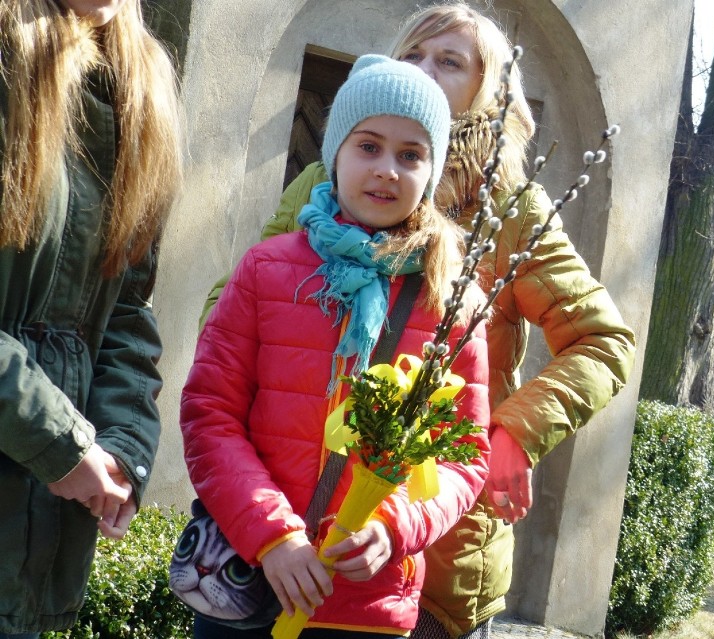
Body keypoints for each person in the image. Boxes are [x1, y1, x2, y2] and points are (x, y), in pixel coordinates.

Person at [199, 3, 636, 638]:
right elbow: (236, 309)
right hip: (291, 522)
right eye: (414, 55)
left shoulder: (509, 208)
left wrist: (509, 436)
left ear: (487, 90)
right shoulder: (328, 180)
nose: (426, 71)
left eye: (451, 61)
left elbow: (605, 340)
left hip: (437, 544)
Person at [180, 54, 491, 639]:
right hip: (250, 582)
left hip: (368, 605)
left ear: (433, 168)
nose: (387, 171)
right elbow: (210, 414)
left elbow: (465, 455)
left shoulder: (452, 300)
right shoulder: (267, 271)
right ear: (335, 154)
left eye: (411, 154)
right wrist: (273, 536)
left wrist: (396, 526)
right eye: (368, 146)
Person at [0, 0, 182, 637]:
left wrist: (120, 452)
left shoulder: (142, 90)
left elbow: (128, 309)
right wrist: (58, 444)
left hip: (36, 533)